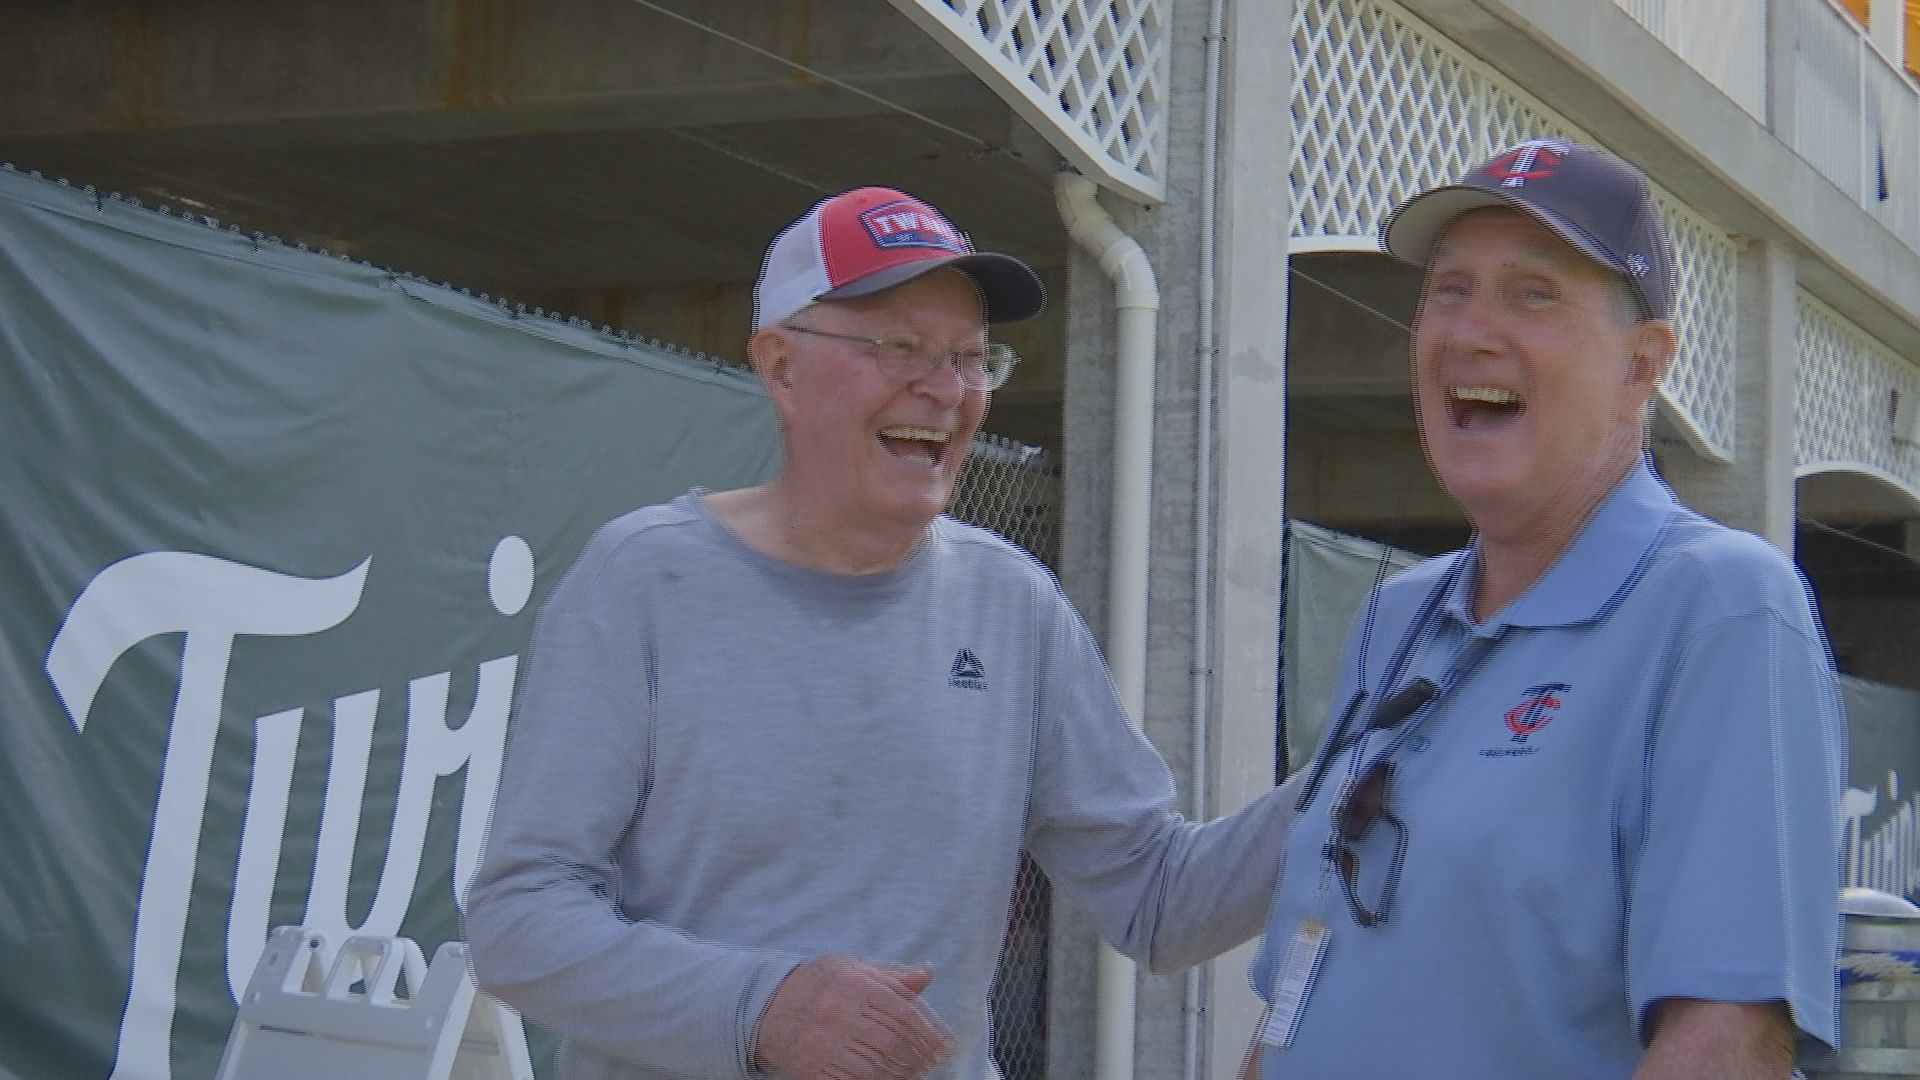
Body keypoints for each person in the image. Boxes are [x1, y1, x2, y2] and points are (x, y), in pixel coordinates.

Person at [465, 185, 1304, 1080]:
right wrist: (759, 1009)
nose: (943, 389)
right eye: (898, 347)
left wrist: (1360, 778)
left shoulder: (1012, 605)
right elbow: (519, 923)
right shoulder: (641, 582)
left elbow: (1160, 900)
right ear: (779, 365)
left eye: (971, 358)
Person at [1247, 141, 1846, 1078]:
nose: (1471, 330)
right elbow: (1305, 987)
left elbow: (1724, 1038)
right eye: (1450, 289)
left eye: (1533, 294)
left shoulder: (1721, 607)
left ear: (1641, 367)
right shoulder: (1395, 618)